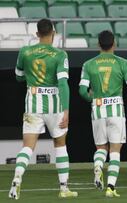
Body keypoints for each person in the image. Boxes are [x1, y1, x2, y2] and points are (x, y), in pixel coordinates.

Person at [9, 18, 77, 199]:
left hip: (33, 102)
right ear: (53, 33)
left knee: (27, 147)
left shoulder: (25, 51)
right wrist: (67, 110)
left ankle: (17, 178)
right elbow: (63, 84)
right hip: (55, 104)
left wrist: (31, 78)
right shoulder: (60, 54)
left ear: (37, 34)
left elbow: (18, 76)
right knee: (60, 145)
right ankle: (63, 188)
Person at [79, 30, 127, 197]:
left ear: (98, 44)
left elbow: (82, 91)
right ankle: (111, 187)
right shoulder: (122, 63)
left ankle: (98, 164)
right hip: (116, 110)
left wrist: (92, 96)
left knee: (101, 147)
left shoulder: (88, 64)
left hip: (97, 109)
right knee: (115, 149)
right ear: (114, 43)